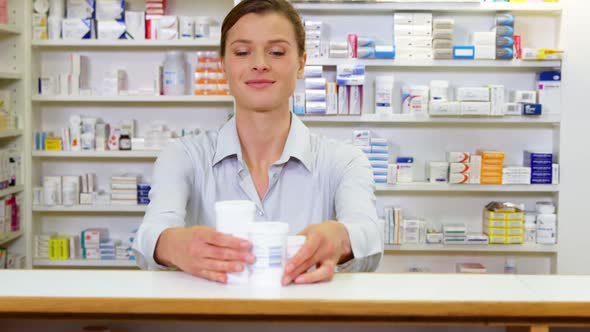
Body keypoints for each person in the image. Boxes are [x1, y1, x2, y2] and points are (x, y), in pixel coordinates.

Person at [133, 0, 383, 286]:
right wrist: (173, 245)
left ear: (301, 63)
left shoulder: (344, 160)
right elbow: (149, 236)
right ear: (223, 66)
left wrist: (340, 239)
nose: (260, 64)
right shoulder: (183, 156)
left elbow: (369, 236)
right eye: (242, 52)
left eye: (276, 52)